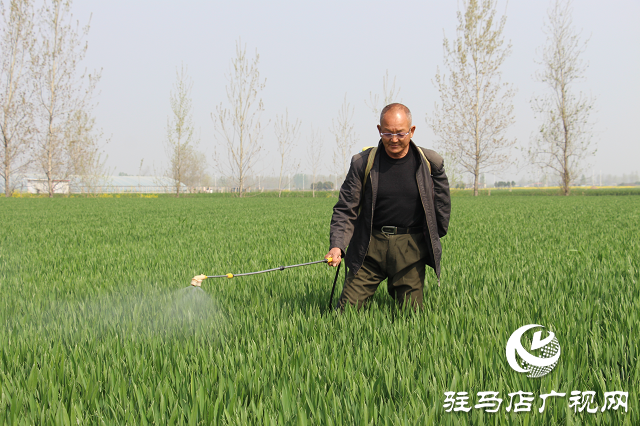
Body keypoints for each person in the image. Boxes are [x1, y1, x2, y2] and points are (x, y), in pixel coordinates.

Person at [325, 103, 451, 310]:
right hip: (369, 246)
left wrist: (435, 236)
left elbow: (442, 206)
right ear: (379, 130)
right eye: (387, 133)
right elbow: (346, 208)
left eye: (400, 133)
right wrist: (337, 245)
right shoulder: (362, 163)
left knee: (412, 316)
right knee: (346, 312)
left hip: (410, 248)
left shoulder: (430, 164)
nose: (393, 139)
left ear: (411, 131)